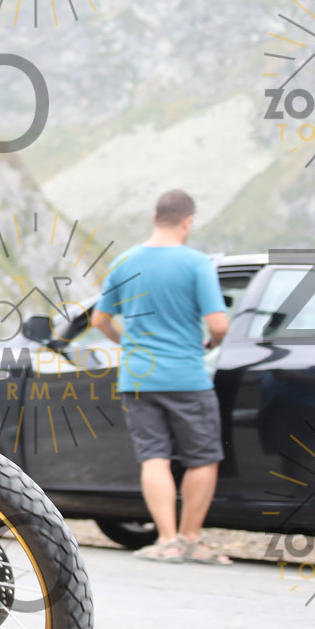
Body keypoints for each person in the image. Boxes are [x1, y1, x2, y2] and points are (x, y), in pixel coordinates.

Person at [90, 190, 231, 564]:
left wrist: (127, 343)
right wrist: (211, 343)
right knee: (203, 458)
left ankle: (166, 540)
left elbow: (99, 319)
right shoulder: (196, 263)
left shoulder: (124, 261)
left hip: (139, 377)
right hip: (186, 375)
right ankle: (190, 539)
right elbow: (219, 324)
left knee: (155, 458)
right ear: (188, 221)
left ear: (155, 217)